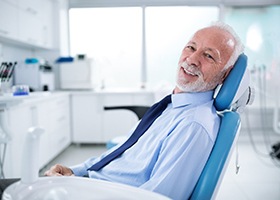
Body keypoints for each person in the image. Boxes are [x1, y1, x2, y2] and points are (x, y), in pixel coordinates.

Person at [0, 21, 244, 200]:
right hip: (90, 184)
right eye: (191, 47)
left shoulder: (194, 125)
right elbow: (124, 153)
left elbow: (156, 198)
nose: (192, 59)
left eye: (209, 56)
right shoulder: (172, 106)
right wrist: (76, 172)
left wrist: (79, 189)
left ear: (225, 75)